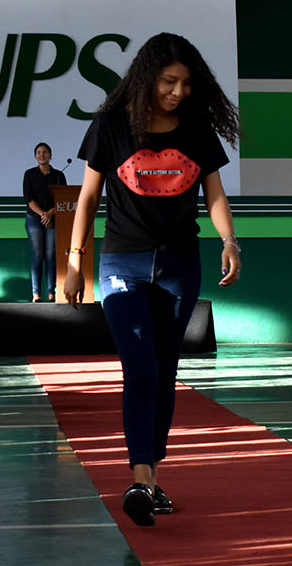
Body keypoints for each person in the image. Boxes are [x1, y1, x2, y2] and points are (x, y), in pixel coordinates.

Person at [63, 32, 240, 527]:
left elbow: (216, 195)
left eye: (186, 83)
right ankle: (139, 476)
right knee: (139, 367)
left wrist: (230, 241)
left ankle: (152, 477)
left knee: (164, 371)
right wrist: (76, 260)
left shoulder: (197, 129)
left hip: (181, 266)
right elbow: (88, 199)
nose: (178, 91)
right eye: (168, 81)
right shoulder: (111, 126)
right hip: (123, 263)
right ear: (147, 78)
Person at [23, 141, 67, 302]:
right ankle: (36, 294)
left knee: (51, 255)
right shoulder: (29, 174)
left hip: (54, 219)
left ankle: (51, 293)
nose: (42, 155)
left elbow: (63, 198)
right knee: (38, 254)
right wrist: (43, 214)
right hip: (34, 218)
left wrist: (50, 213)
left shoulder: (58, 175)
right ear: (35, 156)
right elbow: (28, 198)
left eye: (45, 152)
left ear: (50, 155)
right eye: (39, 152)